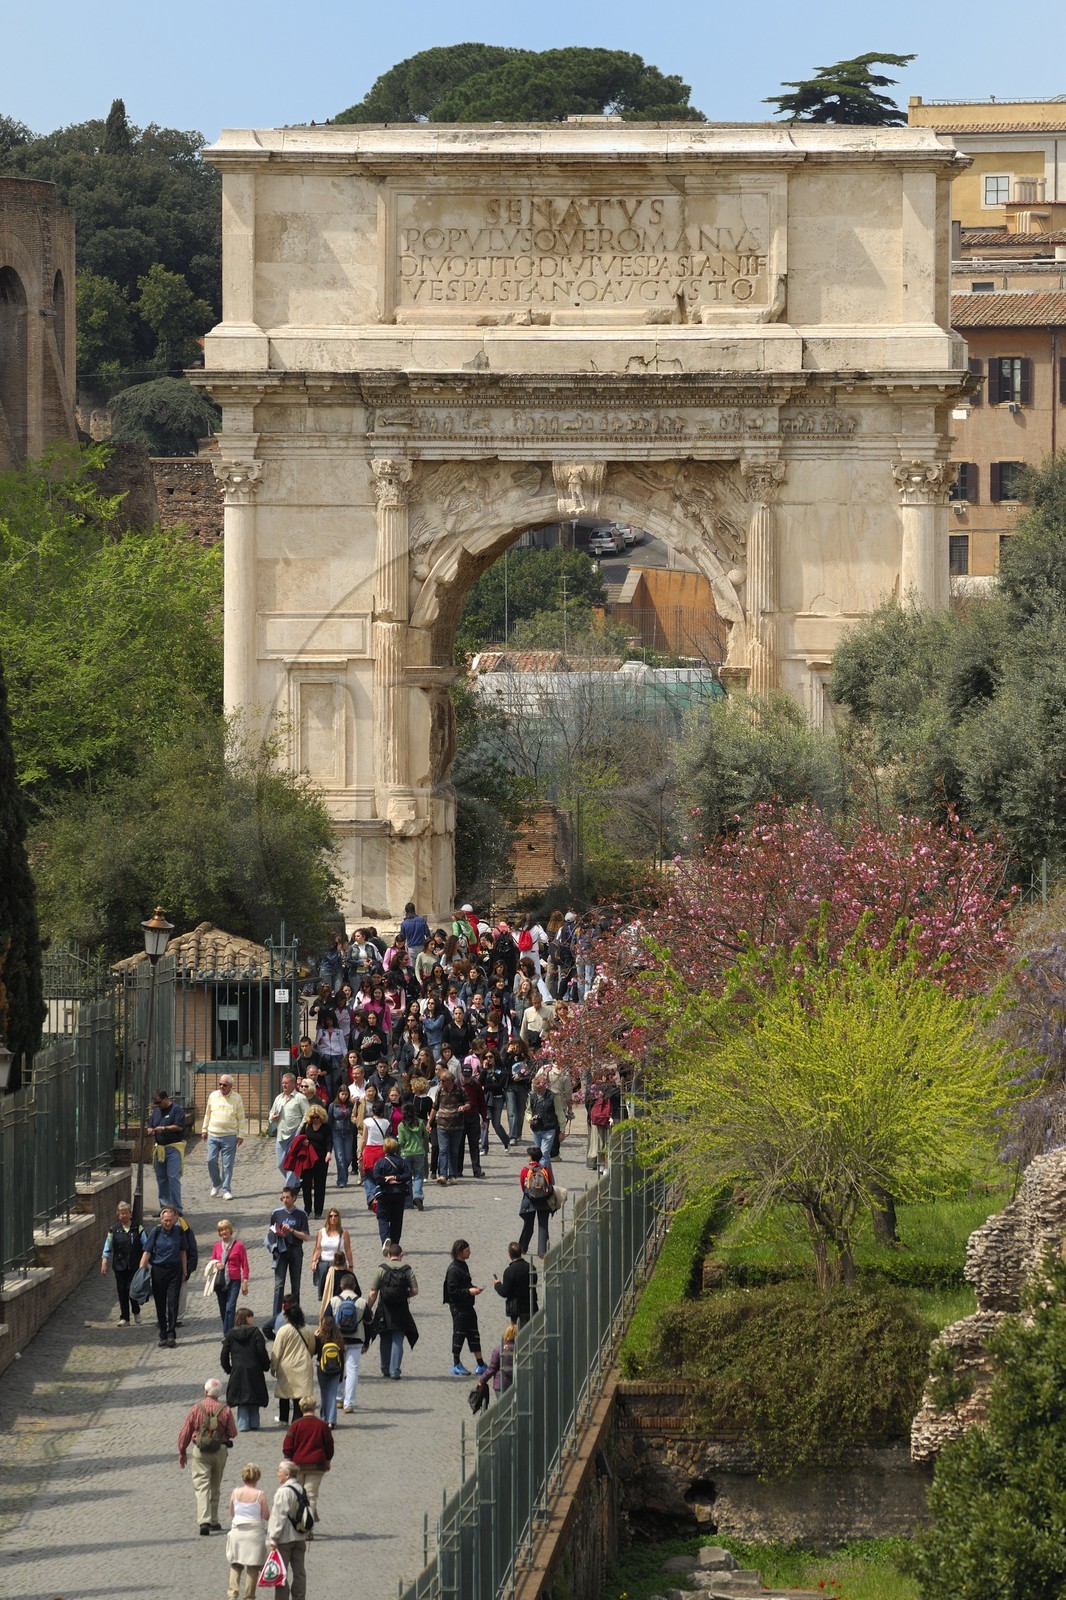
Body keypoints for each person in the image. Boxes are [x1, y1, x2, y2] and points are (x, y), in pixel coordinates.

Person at [177, 1377, 237, 1535]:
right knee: (215, 1485)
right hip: (220, 1451)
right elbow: (233, 1432)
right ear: (219, 1393)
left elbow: (185, 1432)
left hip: (201, 1450)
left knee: (202, 1486)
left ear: (205, 1392)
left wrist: (182, 1451)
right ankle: (215, 1520)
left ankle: (204, 1520)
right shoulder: (225, 1409)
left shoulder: (196, 1408)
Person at [368, 1238, 419, 1379]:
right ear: (401, 1255)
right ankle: (395, 1370)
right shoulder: (407, 1270)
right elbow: (415, 1290)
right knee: (398, 1338)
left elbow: (373, 1292)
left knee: (384, 1337)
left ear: (389, 1255)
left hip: (384, 1308)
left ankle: (385, 1368)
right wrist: (404, 1295)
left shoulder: (381, 1269)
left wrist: (368, 1308)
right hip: (401, 1309)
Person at [140, 1203, 187, 1348]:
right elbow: (147, 1251)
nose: (168, 1223)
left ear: (174, 1219)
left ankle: (171, 1333)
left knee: (172, 1302)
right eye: (165, 1220)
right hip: (158, 1270)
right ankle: (162, 1333)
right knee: (160, 1303)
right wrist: (141, 1270)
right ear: (161, 1220)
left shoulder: (179, 1231)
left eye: (170, 1220)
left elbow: (183, 1252)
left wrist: (184, 1271)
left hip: (174, 1270)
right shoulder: (156, 1231)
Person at [282, 1395, 334, 1523]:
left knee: (298, 1495)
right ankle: (308, 1525)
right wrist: (327, 1460)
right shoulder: (322, 1426)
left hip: (297, 1466)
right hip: (317, 1466)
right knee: (311, 1496)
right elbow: (329, 1445)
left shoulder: (295, 1425)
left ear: (301, 1408)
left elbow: (287, 1446)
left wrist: (288, 1461)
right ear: (314, 1407)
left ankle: (301, 1522)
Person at [221, 1306, 271, 1432]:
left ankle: (243, 1424)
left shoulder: (231, 1334)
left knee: (241, 1398)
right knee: (254, 1396)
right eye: (251, 1316)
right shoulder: (255, 1333)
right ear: (246, 1318)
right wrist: (265, 1365)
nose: (253, 1319)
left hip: (238, 1370)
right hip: (254, 1369)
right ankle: (254, 1423)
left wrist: (229, 1369)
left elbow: (224, 1354)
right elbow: (261, 1351)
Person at [226, 1461, 269, 1600]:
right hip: (255, 1535)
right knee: (252, 1567)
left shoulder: (235, 1492)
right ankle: (249, 1597)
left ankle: (233, 1594)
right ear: (257, 1478)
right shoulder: (260, 1495)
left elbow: (232, 1512)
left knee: (236, 1564)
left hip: (238, 1532)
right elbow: (266, 1515)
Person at [444, 1238, 487, 1378]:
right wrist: (469, 1291)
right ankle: (456, 1364)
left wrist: (473, 1288)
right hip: (458, 1308)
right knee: (459, 1335)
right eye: (467, 1251)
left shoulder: (463, 1265)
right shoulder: (453, 1270)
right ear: (459, 1252)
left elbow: (465, 1283)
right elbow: (452, 1292)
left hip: (468, 1306)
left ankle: (480, 1364)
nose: (470, 1253)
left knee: (473, 1334)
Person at [267, 1187, 311, 1320]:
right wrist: (276, 1235)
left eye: (287, 1197)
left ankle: (294, 1315)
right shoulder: (277, 1213)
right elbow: (271, 1232)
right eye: (283, 1197)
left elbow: (306, 1236)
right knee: (279, 1284)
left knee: (295, 1285)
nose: (285, 1200)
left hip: (296, 1250)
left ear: (294, 1198)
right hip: (281, 1251)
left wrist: (292, 1230)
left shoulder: (301, 1214)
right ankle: (276, 1317)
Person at [201, 1073, 247, 1200]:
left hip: (229, 1135)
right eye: (220, 1084)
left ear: (231, 1086)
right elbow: (207, 1114)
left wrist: (241, 1134)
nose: (222, 1087)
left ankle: (226, 1189)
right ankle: (216, 1183)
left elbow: (241, 1117)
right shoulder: (213, 1096)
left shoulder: (237, 1098)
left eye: (225, 1085)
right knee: (210, 1160)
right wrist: (204, 1129)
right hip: (213, 1134)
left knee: (227, 1164)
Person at [267, 1460, 308, 1600]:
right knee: (299, 1573)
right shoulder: (301, 1489)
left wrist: (273, 1538)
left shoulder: (283, 1492)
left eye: (279, 1470)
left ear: (287, 1474)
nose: (277, 1473)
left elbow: (279, 1517)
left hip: (284, 1539)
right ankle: (299, 1597)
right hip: (300, 1537)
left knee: (280, 1573)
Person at [100, 1200, 146, 1326]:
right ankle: (124, 1317)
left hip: (135, 1264)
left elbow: (146, 1245)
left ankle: (136, 1311)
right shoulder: (114, 1229)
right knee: (122, 1291)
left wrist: (146, 1261)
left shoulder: (138, 1228)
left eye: (126, 1213)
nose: (124, 1215)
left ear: (130, 1214)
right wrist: (104, 1260)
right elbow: (108, 1246)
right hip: (120, 1264)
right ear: (118, 1215)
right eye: (121, 1213)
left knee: (132, 1289)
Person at [329, 1270, 369, 1411]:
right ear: (354, 1286)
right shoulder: (362, 1302)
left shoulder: (333, 1301)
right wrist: (367, 1342)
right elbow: (369, 1323)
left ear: (341, 1286)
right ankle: (349, 1403)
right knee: (352, 1371)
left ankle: (338, 1398)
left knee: (338, 1369)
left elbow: (327, 1321)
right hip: (356, 1340)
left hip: (338, 1340)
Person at [270, 1301, 315, 1427]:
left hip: (286, 1366)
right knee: (299, 1395)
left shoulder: (283, 1330)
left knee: (284, 1394)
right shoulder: (308, 1329)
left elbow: (276, 1350)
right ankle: (297, 1419)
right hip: (303, 1365)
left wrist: (273, 1367)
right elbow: (311, 1347)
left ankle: (283, 1418)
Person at [268, 1074, 311, 1186]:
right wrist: (273, 1118)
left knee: (291, 1162)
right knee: (281, 1164)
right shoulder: (279, 1098)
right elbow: (271, 1113)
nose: (284, 1085)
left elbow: (307, 1115)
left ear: (293, 1084)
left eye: (286, 1083)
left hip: (294, 1134)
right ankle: (296, 1182)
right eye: (283, 1083)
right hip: (281, 1135)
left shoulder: (300, 1098)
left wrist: (299, 1131)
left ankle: (289, 1188)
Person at [147, 1088, 186, 1213]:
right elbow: (151, 1124)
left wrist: (164, 1128)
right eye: (155, 1104)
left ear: (165, 1099)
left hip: (173, 1148)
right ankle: (164, 1207)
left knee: (173, 1178)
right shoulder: (156, 1112)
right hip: (160, 1149)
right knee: (161, 1178)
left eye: (159, 1102)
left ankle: (176, 1208)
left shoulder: (176, 1110)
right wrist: (150, 1129)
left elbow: (179, 1126)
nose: (157, 1105)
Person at [371, 1137, 411, 1246]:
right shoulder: (401, 1162)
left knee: (382, 1218)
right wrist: (396, 1178)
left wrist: (386, 1180)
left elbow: (376, 1176)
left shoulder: (380, 1162)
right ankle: (395, 1244)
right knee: (397, 1220)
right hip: (399, 1194)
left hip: (385, 1194)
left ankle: (385, 1238)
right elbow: (408, 1175)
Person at [518, 1146, 555, 1260]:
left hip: (530, 1201)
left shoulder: (525, 1170)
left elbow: (523, 1186)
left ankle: (522, 1248)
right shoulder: (545, 1169)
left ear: (530, 1157)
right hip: (544, 1201)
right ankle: (542, 1252)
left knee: (528, 1225)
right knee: (543, 1225)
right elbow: (550, 1183)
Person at [296, 1102, 331, 1219]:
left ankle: (318, 1210)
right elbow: (299, 1138)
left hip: (321, 1160)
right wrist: (303, 1142)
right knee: (306, 1184)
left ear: (321, 1117)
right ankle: (307, 1208)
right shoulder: (306, 1126)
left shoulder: (326, 1127)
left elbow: (329, 1142)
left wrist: (329, 1153)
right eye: (312, 1117)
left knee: (320, 1185)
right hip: (308, 1159)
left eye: (317, 1117)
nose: (315, 1120)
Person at [429, 1070, 465, 1185]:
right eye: (440, 1080)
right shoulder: (439, 1091)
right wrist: (429, 1122)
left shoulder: (460, 1090)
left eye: (443, 1080)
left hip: (457, 1125)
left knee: (454, 1151)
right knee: (443, 1150)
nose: (440, 1082)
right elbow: (435, 1107)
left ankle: (452, 1175)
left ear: (451, 1081)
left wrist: (464, 1107)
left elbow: (469, 1103)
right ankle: (443, 1175)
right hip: (442, 1125)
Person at [310, 1207, 353, 1298]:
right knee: (324, 1292)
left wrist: (351, 1265)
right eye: (331, 1216)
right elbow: (318, 1248)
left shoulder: (344, 1233)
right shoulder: (321, 1232)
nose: (333, 1218)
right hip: (323, 1263)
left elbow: (348, 1250)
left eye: (335, 1216)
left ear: (338, 1218)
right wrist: (314, 1261)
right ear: (328, 1218)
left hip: (338, 1265)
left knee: (337, 1290)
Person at [493, 1241, 538, 1325]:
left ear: (510, 1255)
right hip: (531, 1306)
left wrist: (497, 1284)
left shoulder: (509, 1271)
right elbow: (534, 1282)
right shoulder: (531, 1267)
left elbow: (505, 1292)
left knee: (518, 1334)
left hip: (517, 1309)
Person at [475, 1322, 517, 1407]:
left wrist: (482, 1380)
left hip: (501, 1384)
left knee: (503, 1407)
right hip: (516, 1383)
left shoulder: (498, 1350)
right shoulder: (521, 1349)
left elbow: (492, 1369)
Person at [314, 1307, 344, 1425]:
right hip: (336, 1369)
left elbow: (314, 1351)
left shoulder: (320, 1339)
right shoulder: (339, 1340)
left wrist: (315, 1336)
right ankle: (331, 1420)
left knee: (324, 1393)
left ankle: (324, 1418)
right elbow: (342, 1357)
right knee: (333, 1393)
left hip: (322, 1368)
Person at [396, 1100, 429, 1211]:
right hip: (419, 1152)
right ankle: (418, 1196)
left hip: (406, 1153)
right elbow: (426, 1136)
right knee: (419, 1176)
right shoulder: (420, 1122)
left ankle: (408, 1202)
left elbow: (401, 1141)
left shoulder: (401, 1125)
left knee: (407, 1178)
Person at [328, 1085, 355, 1186]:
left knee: (348, 1157)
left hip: (348, 1132)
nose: (344, 1096)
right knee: (340, 1157)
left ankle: (343, 1174)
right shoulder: (333, 1105)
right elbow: (329, 1120)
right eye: (342, 1094)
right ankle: (341, 1181)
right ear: (338, 1094)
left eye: (346, 1094)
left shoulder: (350, 1105)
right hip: (336, 1132)